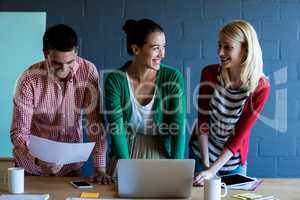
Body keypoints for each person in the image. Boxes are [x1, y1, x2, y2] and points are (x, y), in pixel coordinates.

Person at [10, 24, 112, 184]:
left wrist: (100, 169)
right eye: (57, 64)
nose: (64, 70)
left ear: (76, 52)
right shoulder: (28, 79)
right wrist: (37, 159)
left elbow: (95, 124)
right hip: (32, 168)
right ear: (45, 54)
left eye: (70, 62)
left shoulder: (88, 71)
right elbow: (19, 133)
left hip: (70, 167)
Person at [189, 20, 270, 186]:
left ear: (245, 49)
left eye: (228, 47)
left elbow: (240, 134)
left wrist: (213, 171)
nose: (220, 52)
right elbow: (203, 119)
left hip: (233, 161)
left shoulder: (260, 87)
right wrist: (206, 166)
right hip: (202, 153)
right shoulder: (210, 73)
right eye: (219, 45)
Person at [104, 19, 186, 175]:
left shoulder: (173, 78)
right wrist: (127, 169)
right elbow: (116, 127)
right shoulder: (115, 80)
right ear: (136, 49)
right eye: (156, 48)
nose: (162, 54)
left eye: (164, 47)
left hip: (160, 149)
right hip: (125, 151)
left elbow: (178, 127)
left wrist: (177, 169)